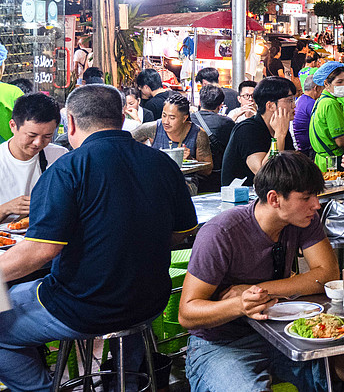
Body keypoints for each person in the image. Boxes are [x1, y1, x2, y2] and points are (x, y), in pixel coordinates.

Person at [0, 84, 197, 392]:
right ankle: (126, 382)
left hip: (84, 307)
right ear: (121, 117)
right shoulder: (163, 164)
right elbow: (184, 231)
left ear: (71, 122)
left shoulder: (68, 168)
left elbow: (40, 252)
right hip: (150, 300)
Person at [179, 152, 339, 392]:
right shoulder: (221, 233)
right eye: (307, 197)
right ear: (274, 199)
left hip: (282, 332)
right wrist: (240, 305)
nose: (316, 205)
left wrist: (258, 291)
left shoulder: (304, 219)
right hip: (220, 343)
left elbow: (327, 275)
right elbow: (187, 313)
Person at [0, 93, 66, 225]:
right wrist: (5, 209)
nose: (38, 143)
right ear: (13, 126)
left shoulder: (60, 156)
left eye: (47, 136)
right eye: (32, 135)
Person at [221, 77, 295, 186]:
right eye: (290, 100)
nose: (294, 105)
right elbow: (265, 173)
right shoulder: (247, 129)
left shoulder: (280, 129)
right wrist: (279, 135)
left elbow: (292, 166)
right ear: (270, 105)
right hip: (243, 199)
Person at [133, 92, 214, 177]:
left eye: (172, 118)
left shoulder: (198, 134)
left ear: (184, 118)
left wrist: (190, 160)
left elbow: (207, 170)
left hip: (185, 181)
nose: (166, 122)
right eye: (164, 115)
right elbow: (125, 139)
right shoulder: (153, 128)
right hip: (157, 178)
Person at [309, 61, 344, 171]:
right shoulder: (331, 104)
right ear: (326, 84)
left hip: (322, 161)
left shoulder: (321, 101)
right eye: (339, 82)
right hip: (332, 163)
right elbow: (340, 141)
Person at [190, 86, 236, 193]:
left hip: (194, 177)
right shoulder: (226, 123)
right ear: (220, 105)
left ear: (200, 102)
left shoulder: (189, 119)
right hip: (217, 179)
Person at [291, 73, 321, 157]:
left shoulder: (301, 100)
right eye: (322, 89)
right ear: (316, 88)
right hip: (307, 150)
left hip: (299, 147)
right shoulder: (311, 104)